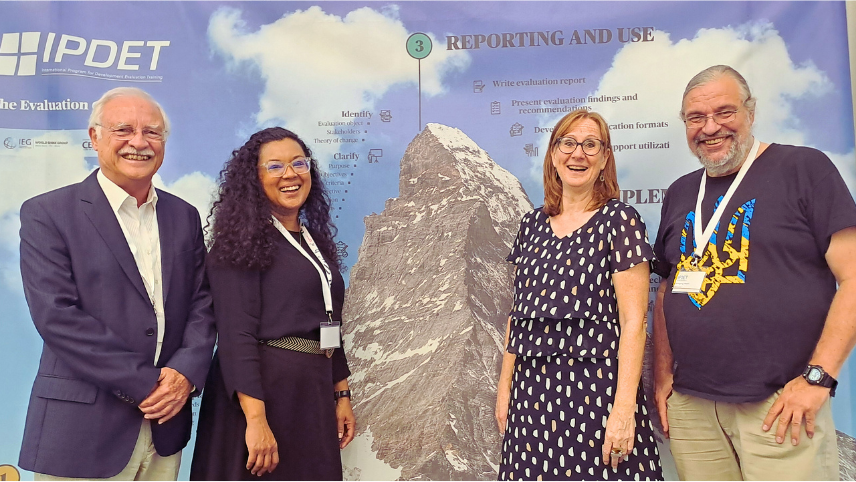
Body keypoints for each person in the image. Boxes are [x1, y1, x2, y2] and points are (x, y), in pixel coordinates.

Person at [652, 65, 856, 480]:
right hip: (692, 407)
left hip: (778, 404)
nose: (710, 128)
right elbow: (667, 290)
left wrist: (818, 379)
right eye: (696, 117)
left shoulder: (804, 169)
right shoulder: (679, 192)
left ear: (750, 112)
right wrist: (662, 376)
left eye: (724, 112)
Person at [18, 87, 216, 480]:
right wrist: (149, 384)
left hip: (164, 429)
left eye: (152, 132)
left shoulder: (184, 216)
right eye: (123, 129)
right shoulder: (48, 213)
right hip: (81, 430)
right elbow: (57, 316)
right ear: (95, 137)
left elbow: (202, 302)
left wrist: (185, 374)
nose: (139, 143)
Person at [496, 109, 663, 481]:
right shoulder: (531, 225)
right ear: (553, 155)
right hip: (532, 393)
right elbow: (517, 313)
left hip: (597, 393)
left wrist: (623, 410)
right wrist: (504, 387)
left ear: (605, 158)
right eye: (568, 143)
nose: (578, 154)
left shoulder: (620, 220)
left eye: (591, 145)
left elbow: (634, 322)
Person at [190, 127, 355, 480]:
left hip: (310, 395)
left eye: (299, 163)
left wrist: (341, 393)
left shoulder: (315, 244)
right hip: (261, 398)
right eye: (275, 167)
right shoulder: (238, 245)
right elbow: (236, 337)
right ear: (254, 179)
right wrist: (256, 420)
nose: (291, 174)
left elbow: (329, 324)